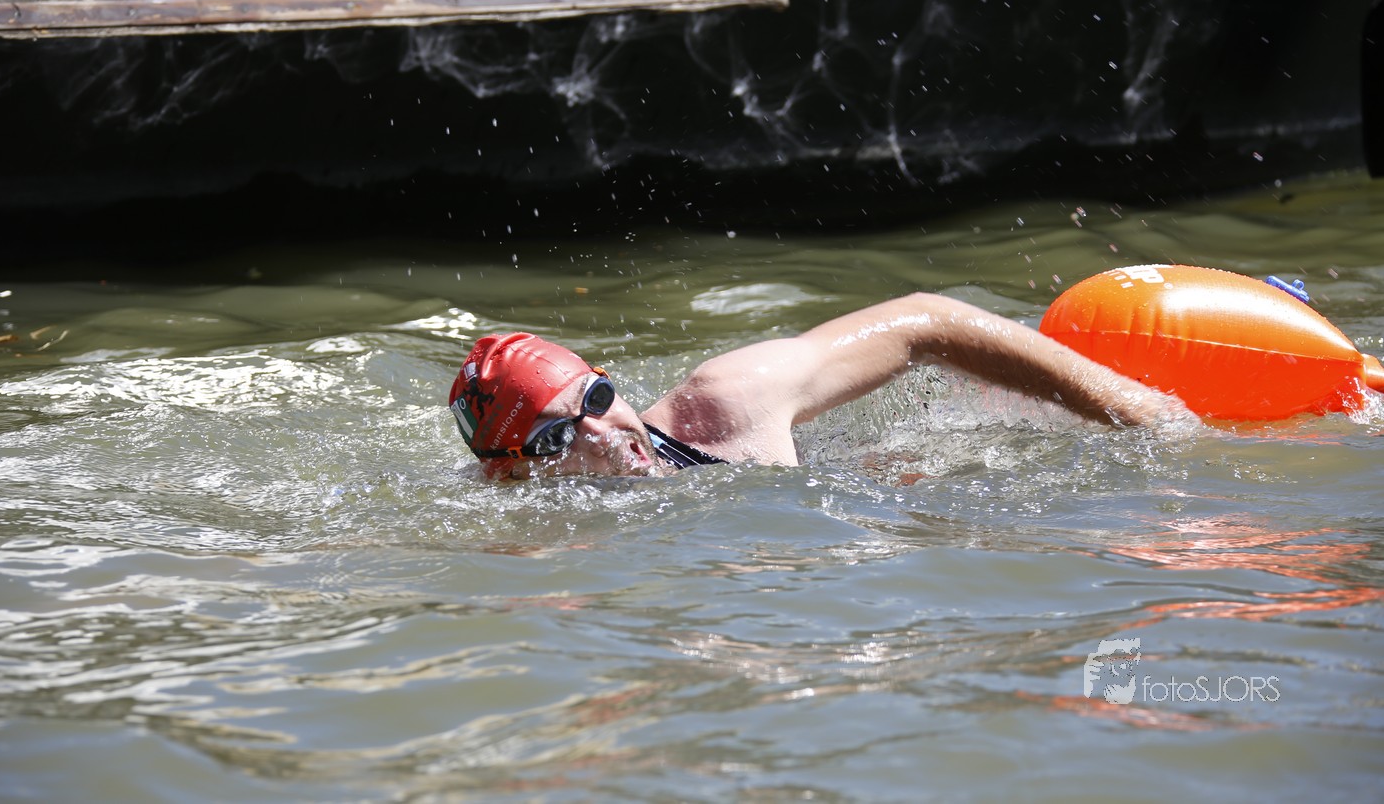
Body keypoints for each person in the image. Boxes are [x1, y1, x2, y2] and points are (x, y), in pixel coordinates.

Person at [449, 291, 1190, 479]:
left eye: (596, 400)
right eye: (556, 437)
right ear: (512, 472)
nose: (605, 435)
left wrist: (1129, 405)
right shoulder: (524, 536)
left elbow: (925, 321)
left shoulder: (726, 403)